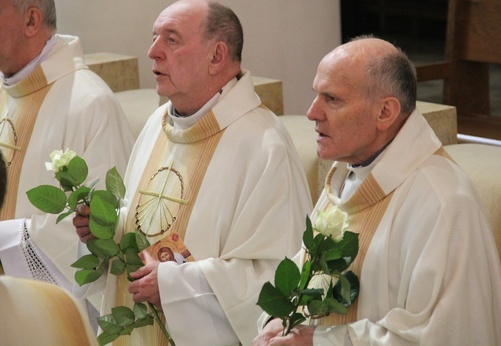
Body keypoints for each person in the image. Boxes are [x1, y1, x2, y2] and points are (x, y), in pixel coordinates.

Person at [73, 1, 312, 345]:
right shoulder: (159, 124)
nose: (153, 52)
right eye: (154, 37)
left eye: (171, 40)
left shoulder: (264, 146)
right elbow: (148, 223)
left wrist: (174, 286)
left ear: (217, 56)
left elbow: (276, 276)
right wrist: (105, 229)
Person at [254, 36, 501, 345]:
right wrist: (278, 321)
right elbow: (303, 275)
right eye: (316, 96)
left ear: (385, 113)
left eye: (332, 99)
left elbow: (439, 335)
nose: (312, 112)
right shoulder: (347, 177)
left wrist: (317, 341)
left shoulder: (443, 203)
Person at [0, 0, 135, 306]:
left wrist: (3, 243)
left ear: (32, 20)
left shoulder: (91, 104)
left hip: (50, 316)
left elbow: (100, 233)